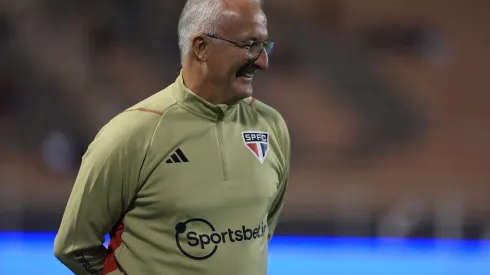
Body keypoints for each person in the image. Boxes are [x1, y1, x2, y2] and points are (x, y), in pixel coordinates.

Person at [53, 0, 291, 274]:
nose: (263, 61)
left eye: (265, 46)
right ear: (201, 48)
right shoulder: (131, 134)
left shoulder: (271, 126)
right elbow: (74, 247)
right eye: (250, 46)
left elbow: (260, 234)